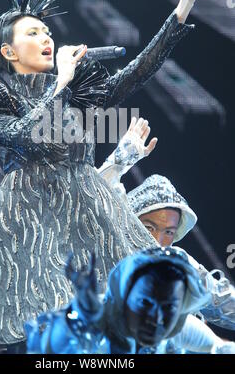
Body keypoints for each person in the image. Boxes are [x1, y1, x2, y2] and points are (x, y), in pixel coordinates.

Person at [0, 0, 229, 346]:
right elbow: (23, 138)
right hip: (29, 218)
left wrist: (182, 7)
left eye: (47, 32)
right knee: (35, 321)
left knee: (164, 276)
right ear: (8, 52)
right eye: (33, 33)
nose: (46, 38)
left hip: (88, 206)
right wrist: (62, 84)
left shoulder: (71, 87)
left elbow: (135, 75)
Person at [98, 121, 235, 331]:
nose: (157, 241)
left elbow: (225, 304)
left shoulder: (178, 265)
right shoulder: (107, 244)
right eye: (149, 228)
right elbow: (94, 196)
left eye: (168, 232)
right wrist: (121, 158)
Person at [26, 248, 235, 354]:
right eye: (145, 303)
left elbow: (218, 347)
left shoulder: (181, 327)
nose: (156, 318)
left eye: (169, 306)